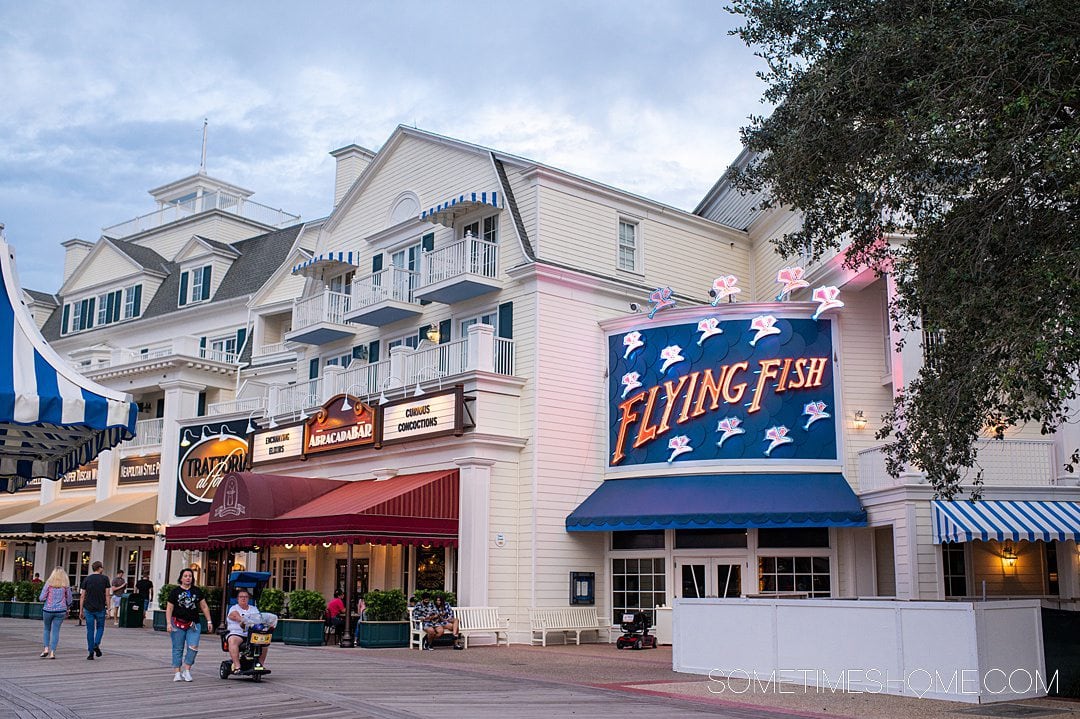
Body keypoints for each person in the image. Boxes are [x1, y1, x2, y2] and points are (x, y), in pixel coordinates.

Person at [166, 568, 213, 682]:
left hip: (193, 624)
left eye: (190, 576)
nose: (188, 578)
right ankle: (177, 672)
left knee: (193, 647)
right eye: (185, 576)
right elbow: (169, 607)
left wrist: (209, 621)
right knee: (178, 648)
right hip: (177, 623)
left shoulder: (197, 591)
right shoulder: (175, 592)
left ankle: (187, 670)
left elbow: (204, 606)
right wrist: (168, 623)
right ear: (181, 578)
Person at [226, 588, 273, 673]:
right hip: (238, 633)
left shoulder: (253, 609)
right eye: (241, 597)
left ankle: (260, 664)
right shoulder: (234, 608)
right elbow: (234, 616)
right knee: (232, 641)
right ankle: (237, 666)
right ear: (238, 599)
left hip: (252, 634)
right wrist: (242, 620)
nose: (243, 598)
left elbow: (259, 618)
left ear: (248, 598)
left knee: (265, 643)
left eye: (246, 597)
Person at [39, 567, 73, 659]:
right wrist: (68, 607)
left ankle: (46, 649)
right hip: (61, 610)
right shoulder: (65, 585)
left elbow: (41, 598)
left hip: (48, 609)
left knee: (46, 629)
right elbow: (69, 599)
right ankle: (52, 652)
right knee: (56, 631)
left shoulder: (49, 584)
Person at [79, 561, 110, 660]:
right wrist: (108, 608)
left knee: (90, 630)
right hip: (100, 607)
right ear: (100, 568)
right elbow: (107, 595)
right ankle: (96, 643)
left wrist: (81, 610)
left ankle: (90, 652)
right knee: (100, 627)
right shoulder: (105, 579)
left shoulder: (87, 579)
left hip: (88, 608)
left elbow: (82, 595)